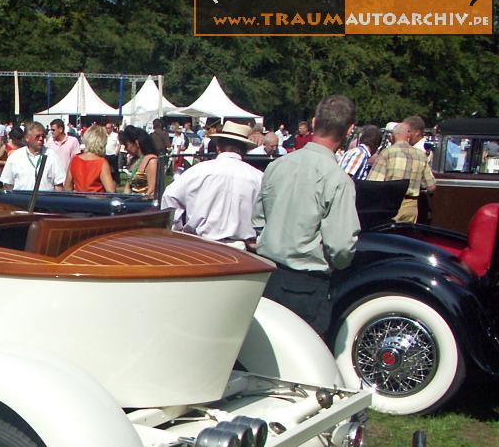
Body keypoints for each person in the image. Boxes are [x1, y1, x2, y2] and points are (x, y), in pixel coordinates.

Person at [253, 94, 359, 336]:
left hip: (268, 277)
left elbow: (259, 221)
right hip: (307, 286)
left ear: (313, 123)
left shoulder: (277, 166)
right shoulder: (338, 180)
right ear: (350, 130)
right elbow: (341, 247)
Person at [160, 120, 261, 246]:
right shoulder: (258, 178)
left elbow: (169, 196)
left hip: (201, 246)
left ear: (218, 147)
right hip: (242, 250)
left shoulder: (197, 171)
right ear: (245, 150)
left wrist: (176, 231)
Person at [368, 118, 435, 222]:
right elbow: (431, 186)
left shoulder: (387, 153)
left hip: (390, 204)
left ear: (392, 137)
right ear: (408, 137)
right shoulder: (421, 155)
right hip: (411, 206)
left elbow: (373, 183)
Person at [0, 122, 66, 192]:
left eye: (43, 136)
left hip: (46, 201)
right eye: (37, 136)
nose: (41, 139)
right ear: (27, 138)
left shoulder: (51, 155)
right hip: (21, 201)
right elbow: (7, 185)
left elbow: (58, 185)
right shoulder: (15, 157)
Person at [67, 125, 117, 193]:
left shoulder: (74, 159)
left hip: (78, 201)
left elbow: (67, 187)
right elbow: (111, 190)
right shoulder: (102, 163)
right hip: (96, 201)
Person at [120, 125, 158, 196]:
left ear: (136, 143)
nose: (125, 149)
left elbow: (152, 190)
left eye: (126, 145)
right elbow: (127, 187)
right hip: (131, 203)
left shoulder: (151, 161)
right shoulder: (133, 161)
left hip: (145, 204)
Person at [45, 119, 79, 185]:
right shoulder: (50, 142)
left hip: (68, 180)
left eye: (53, 130)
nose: (51, 132)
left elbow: (75, 161)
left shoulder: (73, 141)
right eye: (51, 130)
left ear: (60, 129)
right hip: (54, 181)